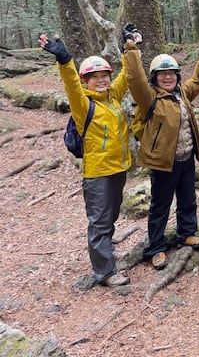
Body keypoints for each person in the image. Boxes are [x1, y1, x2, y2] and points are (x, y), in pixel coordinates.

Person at [39, 33, 131, 287]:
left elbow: (129, 74)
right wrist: (65, 60)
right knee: (100, 220)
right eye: (95, 78)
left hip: (119, 168)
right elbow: (70, 84)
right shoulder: (83, 104)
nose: (101, 81)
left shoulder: (113, 97)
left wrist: (130, 49)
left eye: (105, 76)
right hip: (98, 172)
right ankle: (105, 273)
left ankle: (107, 253)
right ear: (86, 81)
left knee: (111, 215)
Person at [122, 24, 199, 271]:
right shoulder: (149, 97)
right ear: (155, 77)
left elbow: (197, 81)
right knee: (160, 206)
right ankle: (156, 247)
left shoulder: (182, 93)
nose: (168, 77)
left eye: (171, 73)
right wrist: (131, 48)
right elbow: (135, 78)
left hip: (186, 159)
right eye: (162, 74)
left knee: (188, 199)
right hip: (162, 163)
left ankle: (186, 233)